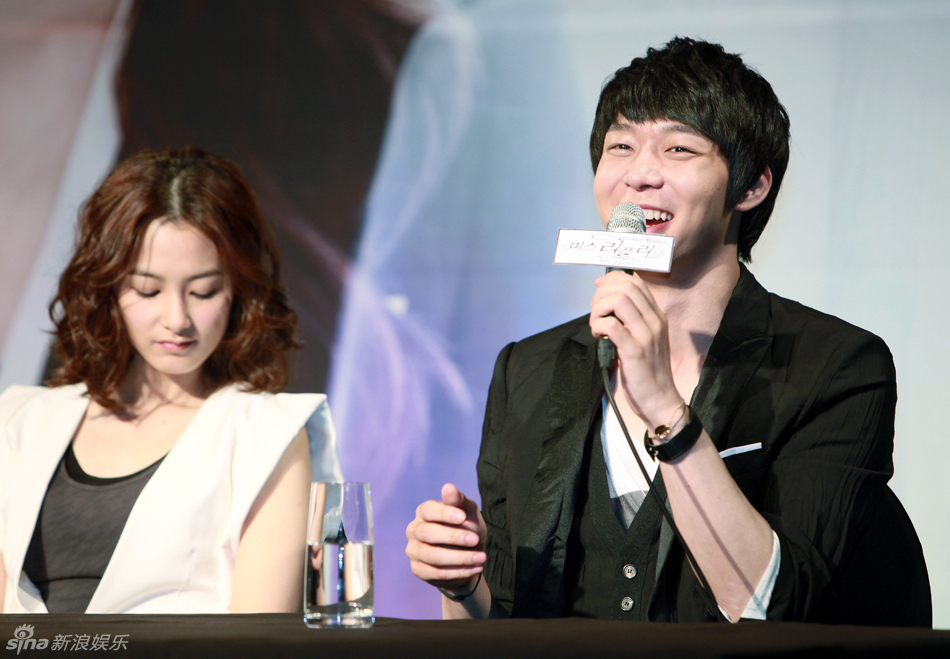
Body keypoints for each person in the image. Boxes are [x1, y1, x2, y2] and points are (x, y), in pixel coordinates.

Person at [406, 37, 931, 625]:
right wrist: (463, 586)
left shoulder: (834, 366)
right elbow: (511, 626)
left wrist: (665, 409)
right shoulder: (527, 369)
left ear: (751, 187)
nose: (639, 175)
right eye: (621, 146)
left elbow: (774, 605)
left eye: (679, 148)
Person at [0, 147, 342, 614]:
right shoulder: (20, 420)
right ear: (107, 286)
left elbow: (259, 635)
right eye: (148, 290)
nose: (176, 318)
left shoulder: (268, 433)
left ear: (239, 290)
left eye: (203, 291)